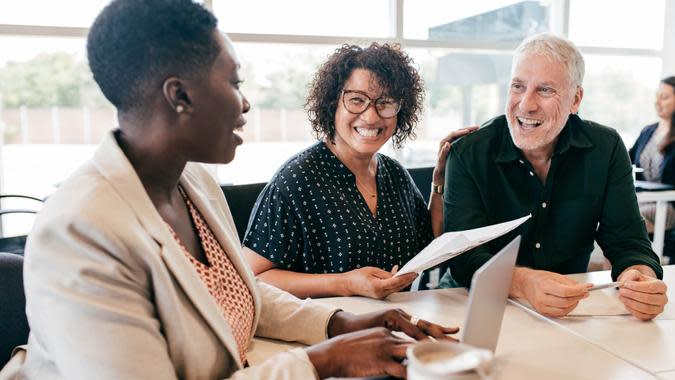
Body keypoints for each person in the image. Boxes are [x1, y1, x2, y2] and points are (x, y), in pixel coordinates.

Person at [0, 1, 459, 379]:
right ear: (180, 96)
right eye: (233, 82)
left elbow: (243, 292)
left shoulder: (192, 181)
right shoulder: (81, 229)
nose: (245, 102)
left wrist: (343, 323)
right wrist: (324, 360)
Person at [440, 33, 668, 321]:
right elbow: (463, 256)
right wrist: (524, 282)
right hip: (472, 299)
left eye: (545, 90)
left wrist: (639, 276)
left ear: (575, 99)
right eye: (517, 86)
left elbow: (628, 241)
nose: (525, 104)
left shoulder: (606, 148)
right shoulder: (469, 153)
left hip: (567, 308)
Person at [243, 43, 475, 299]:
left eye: (385, 103)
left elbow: (431, 241)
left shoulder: (394, 174)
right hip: (325, 329)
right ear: (333, 104)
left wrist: (439, 181)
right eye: (357, 100)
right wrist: (345, 284)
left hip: (396, 323)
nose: (372, 117)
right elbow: (254, 277)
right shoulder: (296, 180)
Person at [629, 76, 675, 233]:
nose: (657, 102)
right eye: (657, 97)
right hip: (645, 199)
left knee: (628, 220)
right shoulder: (648, 131)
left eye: (664, 98)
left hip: (668, 204)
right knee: (611, 215)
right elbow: (626, 160)